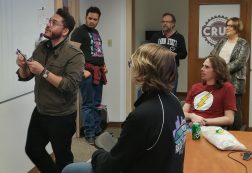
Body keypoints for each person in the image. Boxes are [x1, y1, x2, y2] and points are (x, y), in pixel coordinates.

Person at [62, 43, 187, 173]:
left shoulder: (143, 115)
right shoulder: (174, 101)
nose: (131, 68)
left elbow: (111, 167)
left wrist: (96, 155)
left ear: (144, 70)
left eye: (132, 64)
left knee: (70, 169)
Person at [16, 9, 84, 173]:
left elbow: (69, 85)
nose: (48, 24)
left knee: (63, 160)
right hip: (41, 111)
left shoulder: (75, 54)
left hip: (61, 116)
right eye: (49, 21)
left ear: (65, 31)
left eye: (53, 23)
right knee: (32, 149)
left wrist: (43, 72)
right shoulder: (41, 47)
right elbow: (26, 76)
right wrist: (23, 67)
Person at [71, 6, 108, 144]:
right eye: (90, 18)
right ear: (86, 17)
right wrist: (82, 70)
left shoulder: (96, 32)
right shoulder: (78, 32)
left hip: (98, 71)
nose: (92, 21)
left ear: (98, 20)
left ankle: (97, 129)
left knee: (97, 103)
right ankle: (89, 133)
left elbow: (98, 51)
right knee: (88, 104)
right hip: (87, 72)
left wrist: (104, 65)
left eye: (95, 19)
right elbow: (73, 54)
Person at [209, 17, 250, 130]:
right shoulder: (222, 41)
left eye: (230, 26)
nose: (227, 28)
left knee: (234, 108)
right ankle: (220, 131)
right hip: (218, 79)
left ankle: (236, 133)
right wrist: (212, 67)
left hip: (234, 81)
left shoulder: (243, 43)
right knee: (218, 105)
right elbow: (212, 55)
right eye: (227, 25)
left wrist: (220, 70)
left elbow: (239, 62)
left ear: (237, 28)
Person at [183, 55, 236, 127]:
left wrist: (202, 121)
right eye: (202, 66)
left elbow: (229, 119)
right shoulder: (195, 87)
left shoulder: (227, 88)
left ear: (217, 71)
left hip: (211, 129)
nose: (202, 69)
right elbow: (182, 113)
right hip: (189, 126)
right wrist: (192, 116)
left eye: (206, 67)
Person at [150, 12, 187, 94]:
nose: (165, 24)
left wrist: (175, 55)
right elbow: (149, 51)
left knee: (170, 94)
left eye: (167, 22)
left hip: (172, 70)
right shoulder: (156, 36)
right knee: (155, 93)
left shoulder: (179, 37)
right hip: (157, 70)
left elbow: (184, 54)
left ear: (173, 24)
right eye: (163, 22)